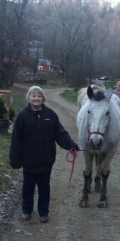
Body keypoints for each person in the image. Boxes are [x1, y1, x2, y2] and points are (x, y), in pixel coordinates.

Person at [9, 85, 79, 223]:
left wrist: (70, 145)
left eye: (39, 96)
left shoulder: (50, 114)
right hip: (29, 160)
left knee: (44, 188)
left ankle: (43, 212)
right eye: (33, 95)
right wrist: (15, 158)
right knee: (28, 187)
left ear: (43, 98)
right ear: (29, 98)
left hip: (46, 159)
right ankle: (27, 211)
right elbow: (16, 139)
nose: (36, 98)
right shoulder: (22, 116)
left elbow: (60, 133)